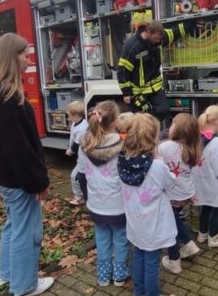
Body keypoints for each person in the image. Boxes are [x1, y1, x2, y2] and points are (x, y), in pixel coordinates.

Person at [0, 33, 54, 296]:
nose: (28, 61)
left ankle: (8, 275)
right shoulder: (9, 94)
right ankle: (24, 286)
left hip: (2, 176)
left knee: (13, 225)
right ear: (11, 57)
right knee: (26, 232)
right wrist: (37, 182)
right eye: (25, 55)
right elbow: (18, 148)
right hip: (16, 179)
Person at [118, 113, 177, 296]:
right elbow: (170, 183)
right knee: (152, 262)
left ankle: (139, 291)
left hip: (135, 222)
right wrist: (160, 161)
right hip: (154, 224)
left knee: (138, 255)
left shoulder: (121, 161)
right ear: (153, 137)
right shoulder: (157, 166)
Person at [77, 101, 129, 287]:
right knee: (121, 239)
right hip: (118, 205)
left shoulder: (84, 144)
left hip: (96, 205)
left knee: (102, 239)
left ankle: (103, 276)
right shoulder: (122, 144)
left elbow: (81, 175)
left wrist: (86, 198)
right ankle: (119, 275)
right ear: (114, 122)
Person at [116, 21, 187, 123]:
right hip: (139, 92)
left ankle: (149, 122)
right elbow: (123, 71)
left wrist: (193, 23)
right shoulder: (131, 46)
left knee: (164, 110)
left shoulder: (158, 39)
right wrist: (126, 93)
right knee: (138, 120)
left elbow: (174, 32)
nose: (158, 41)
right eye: (156, 38)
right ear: (148, 32)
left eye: (159, 39)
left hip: (155, 88)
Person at [158, 113, 202, 274]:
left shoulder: (164, 147)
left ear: (178, 129)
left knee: (170, 225)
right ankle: (187, 244)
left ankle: (175, 259)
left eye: (173, 124)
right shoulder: (193, 148)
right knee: (175, 219)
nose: (170, 127)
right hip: (184, 193)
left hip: (171, 193)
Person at [192, 105, 218, 248]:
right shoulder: (216, 143)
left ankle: (202, 233)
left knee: (205, 208)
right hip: (213, 183)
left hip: (199, 182)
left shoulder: (196, 137)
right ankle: (213, 237)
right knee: (217, 208)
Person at [66, 100, 88, 206]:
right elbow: (72, 138)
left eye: (68, 114)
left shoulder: (83, 128)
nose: (67, 116)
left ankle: (79, 197)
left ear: (75, 115)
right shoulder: (75, 123)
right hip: (81, 157)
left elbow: (76, 144)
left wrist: (70, 151)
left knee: (74, 176)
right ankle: (82, 195)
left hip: (83, 158)